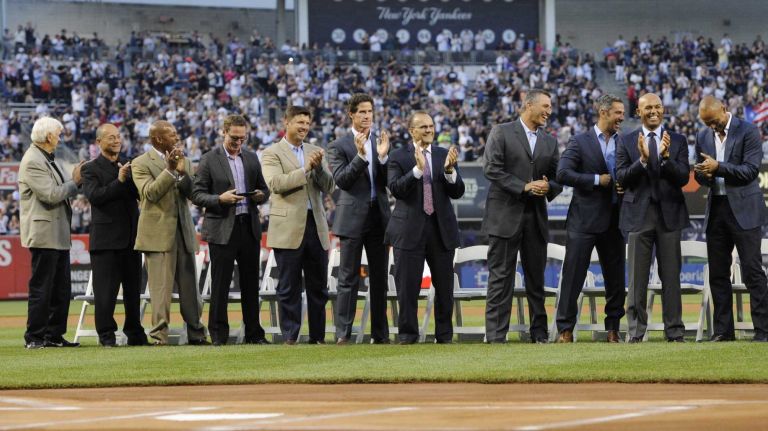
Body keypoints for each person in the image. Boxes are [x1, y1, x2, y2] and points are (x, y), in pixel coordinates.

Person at [482, 89, 562, 344]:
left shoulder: (549, 142)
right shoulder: (501, 132)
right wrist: (525, 186)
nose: (549, 111)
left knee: (536, 280)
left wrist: (550, 187)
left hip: (535, 219)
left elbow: (559, 176)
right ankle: (496, 336)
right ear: (528, 105)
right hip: (504, 217)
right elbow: (491, 169)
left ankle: (539, 334)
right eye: (546, 106)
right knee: (500, 278)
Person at [385, 111, 464, 344]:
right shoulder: (398, 157)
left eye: (431, 126)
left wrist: (449, 171)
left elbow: (457, 192)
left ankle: (444, 336)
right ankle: (408, 335)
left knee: (445, 289)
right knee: (407, 289)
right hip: (409, 231)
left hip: (441, 231)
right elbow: (396, 189)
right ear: (412, 131)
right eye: (423, 127)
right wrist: (417, 171)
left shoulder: (443, 155)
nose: (429, 130)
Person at [616, 93, 689, 343]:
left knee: (671, 278)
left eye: (657, 107)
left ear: (663, 110)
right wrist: (643, 160)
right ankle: (635, 332)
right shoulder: (626, 141)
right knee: (637, 280)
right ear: (639, 112)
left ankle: (675, 332)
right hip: (638, 216)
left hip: (670, 216)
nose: (653, 111)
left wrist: (666, 158)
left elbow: (682, 178)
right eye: (648, 108)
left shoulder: (678, 141)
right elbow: (622, 177)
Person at [191, 114, 270, 346]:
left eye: (242, 138)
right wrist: (220, 198)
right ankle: (218, 335)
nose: (238, 142)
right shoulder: (208, 159)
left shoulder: (252, 158)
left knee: (250, 284)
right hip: (222, 228)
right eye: (234, 138)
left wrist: (259, 196)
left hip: (248, 226)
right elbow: (196, 194)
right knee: (220, 284)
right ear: (223, 132)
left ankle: (254, 334)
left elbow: (265, 190)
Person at [694, 96, 768, 342]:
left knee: (752, 272)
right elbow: (705, 175)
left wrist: (718, 167)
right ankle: (724, 332)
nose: (711, 127)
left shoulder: (748, 131)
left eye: (713, 121)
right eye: (706, 123)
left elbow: (749, 171)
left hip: (744, 209)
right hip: (716, 209)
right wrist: (704, 174)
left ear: (724, 109)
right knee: (717, 273)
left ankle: (763, 330)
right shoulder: (703, 136)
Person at [555, 94, 626, 343]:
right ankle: (565, 329)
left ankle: (613, 329)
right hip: (583, 221)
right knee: (573, 276)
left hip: (615, 220)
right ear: (603, 112)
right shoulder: (579, 141)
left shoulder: (626, 141)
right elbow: (562, 173)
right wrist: (597, 180)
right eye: (618, 112)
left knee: (616, 278)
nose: (622, 117)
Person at [261, 106, 335, 344]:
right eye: (299, 122)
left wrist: (319, 169)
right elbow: (276, 183)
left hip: (316, 226)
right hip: (288, 227)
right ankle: (290, 337)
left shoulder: (315, 151)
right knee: (288, 287)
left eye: (307, 123)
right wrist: (306, 169)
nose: (304, 127)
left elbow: (329, 187)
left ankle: (318, 338)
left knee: (318, 288)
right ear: (287, 122)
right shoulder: (272, 153)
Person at [132, 120, 208, 346]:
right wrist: (170, 170)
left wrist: (184, 174)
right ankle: (158, 337)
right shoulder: (140, 163)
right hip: (157, 235)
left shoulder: (184, 160)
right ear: (158, 139)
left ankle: (197, 334)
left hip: (183, 232)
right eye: (172, 134)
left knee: (191, 292)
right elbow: (150, 194)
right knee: (161, 291)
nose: (176, 137)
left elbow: (193, 194)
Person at [327, 94, 391, 345]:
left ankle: (380, 334)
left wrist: (383, 158)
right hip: (352, 219)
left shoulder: (381, 142)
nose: (367, 116)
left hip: (379, 217)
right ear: (351, 114)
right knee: (348, 278)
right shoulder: (339, 145)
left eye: (370, 111)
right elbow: (342, 180)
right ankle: (343, 333)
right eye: (362, 112)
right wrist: (362, 156)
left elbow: (388, 182)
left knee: (379, 279)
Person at [80, 123, 149, 347]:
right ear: (99, 142)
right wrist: (119, 180)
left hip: (131, 239)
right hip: (106, 241)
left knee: (132, 292)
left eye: (118, 136)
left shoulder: (129, 164)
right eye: (111, 137)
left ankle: (135, 333)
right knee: (105, 294)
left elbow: (141, 194)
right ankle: (106, 336)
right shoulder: (90, 168)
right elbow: (96, 197)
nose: (116, 140)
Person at [19, 116, 83, 349]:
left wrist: (77, 180)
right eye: (58, 133)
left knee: (60, 289)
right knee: (42, 287)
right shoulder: (33, 160)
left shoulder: (46, 158)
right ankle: (34, 337)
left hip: (57, 233)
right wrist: (75, 182)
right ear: (48, 136)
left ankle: (54, 335)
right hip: (44, 232)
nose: (60, 137)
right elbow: (51, 194)